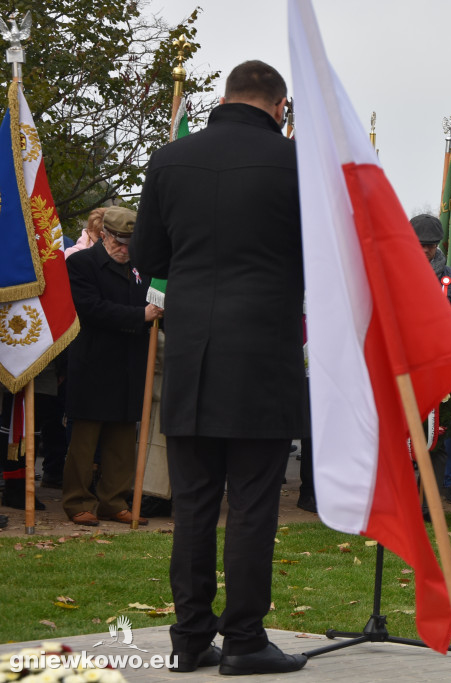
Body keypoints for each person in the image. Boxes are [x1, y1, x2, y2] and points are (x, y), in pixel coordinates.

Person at [131, 60, 308, 675]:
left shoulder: (169, 159)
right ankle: (245, 639)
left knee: (194, 506)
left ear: (226, 97)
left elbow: (150, 256)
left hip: (191, 356)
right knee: (255, 504)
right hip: (262, 355)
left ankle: (190, 639)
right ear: (279, 106)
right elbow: (318, 258)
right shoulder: (294, 165)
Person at [61, 206, 161, 527]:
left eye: (131, 242)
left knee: (121, 441)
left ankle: (113, 501)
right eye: (119, 242)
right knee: (85, 441)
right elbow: (92, 309)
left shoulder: (142, 269)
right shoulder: (81, 263)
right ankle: (77, 501)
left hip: (130, 365)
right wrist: (140, 316)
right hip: (94, 364)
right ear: (103, 235)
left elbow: (153, 305)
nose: (125, 249)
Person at [411, 214, 451, 515]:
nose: (425, 251)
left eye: (431, 246)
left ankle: (428, 504)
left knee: (437, 437)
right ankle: (403, 503)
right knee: (402, 438)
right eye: (420, 245)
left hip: (438, 368)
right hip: (404, 368)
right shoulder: (394, 272)